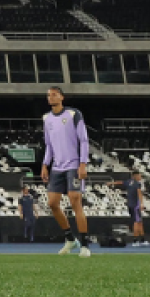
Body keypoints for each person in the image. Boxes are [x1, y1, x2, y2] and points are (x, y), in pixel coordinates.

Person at [41, 87, 91, 257]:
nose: (51, 97)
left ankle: (84, 245)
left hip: (73, 165)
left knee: (75, 201)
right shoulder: (46, 118)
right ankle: (70, 239)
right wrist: (44, 164)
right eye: (48, 95)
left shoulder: (73, 114)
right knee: (52, 204)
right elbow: (48, 145)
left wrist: (83, 164)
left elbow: (83, 140)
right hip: (57, 167)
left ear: (61, 97)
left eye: (54, 94)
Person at [110, 171, 148, 246]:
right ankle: (135, 240)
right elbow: (139, 194)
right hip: (135, 206)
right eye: (139, 176)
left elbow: (120, 182)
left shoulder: (129, 182)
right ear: (135, 176)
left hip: (130, 205)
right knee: (137, 223)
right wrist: (141, 204)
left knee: (139, 222)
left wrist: (111, 183)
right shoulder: (137, 184)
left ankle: (143, 240)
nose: (140, 177)